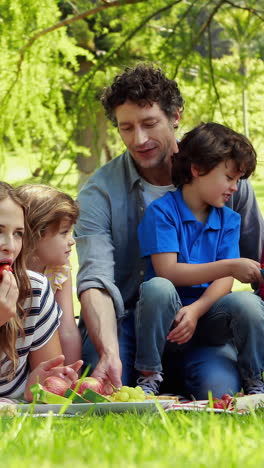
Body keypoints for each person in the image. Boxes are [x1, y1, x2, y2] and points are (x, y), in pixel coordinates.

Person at [74, 63, 264, 398]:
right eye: (126, 128)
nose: (139, 139)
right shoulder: (99, 192)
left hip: (205, 320)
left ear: (175, 116)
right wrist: (108, 351)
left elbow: (252, 268)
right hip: (130, 320)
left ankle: (215, 374)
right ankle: (146, 374)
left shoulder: (228, 185)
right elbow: (95, 281)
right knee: (103, 379)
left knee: (219, 390)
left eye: (149, 124)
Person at [137, 122, 264, 396]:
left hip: (207, 326)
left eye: (238, 179)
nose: (234, 187)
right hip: (165, 322)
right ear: (197, 169)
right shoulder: (162, 213)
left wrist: (196, 310)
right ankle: (149, 376)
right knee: (157, 287)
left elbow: (224, 283)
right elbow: (167, 271)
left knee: (247, 303)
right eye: (229, 177)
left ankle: (255, 382)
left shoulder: (230, 219)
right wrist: (230, 265)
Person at [0, 182, 82, 401]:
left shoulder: (35, 290)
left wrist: (36, 386)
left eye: (17, 233)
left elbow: (45, 389)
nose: (9, 245)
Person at [16, 184, 82, 366]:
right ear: (35, 234)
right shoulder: (12, 272)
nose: (72, 241)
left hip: (47, 350)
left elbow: (67, 328)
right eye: (64, 233)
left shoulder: (58, 270)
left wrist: (70, 374)